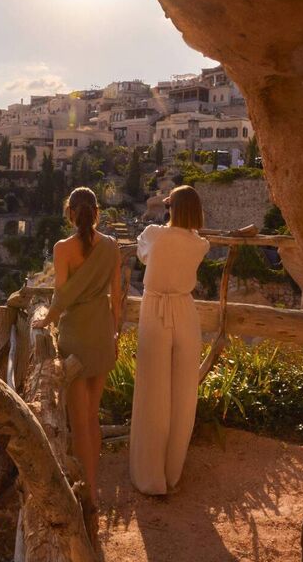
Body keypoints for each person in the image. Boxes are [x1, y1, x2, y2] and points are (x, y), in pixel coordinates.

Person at [32, 187, 122, 508]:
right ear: (97, 212)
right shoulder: (112, 246)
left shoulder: (62, 248)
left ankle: (88, 494)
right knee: (92, 418)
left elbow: (61, 295)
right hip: (101, 333)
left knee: (77, 420)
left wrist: (46, 320)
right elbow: (117, 298)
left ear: (70, 213)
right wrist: (116, 336)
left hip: (75, 336)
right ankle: (93, 487)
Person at [129, 185, 210, 495]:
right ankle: (173, 471)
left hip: (155, 308)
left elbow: (143, 253)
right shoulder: (199, 244)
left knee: (154, 391)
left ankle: (151, 476)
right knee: (182, 393)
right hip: (185, 310)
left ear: (172, 208)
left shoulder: (154, 233)